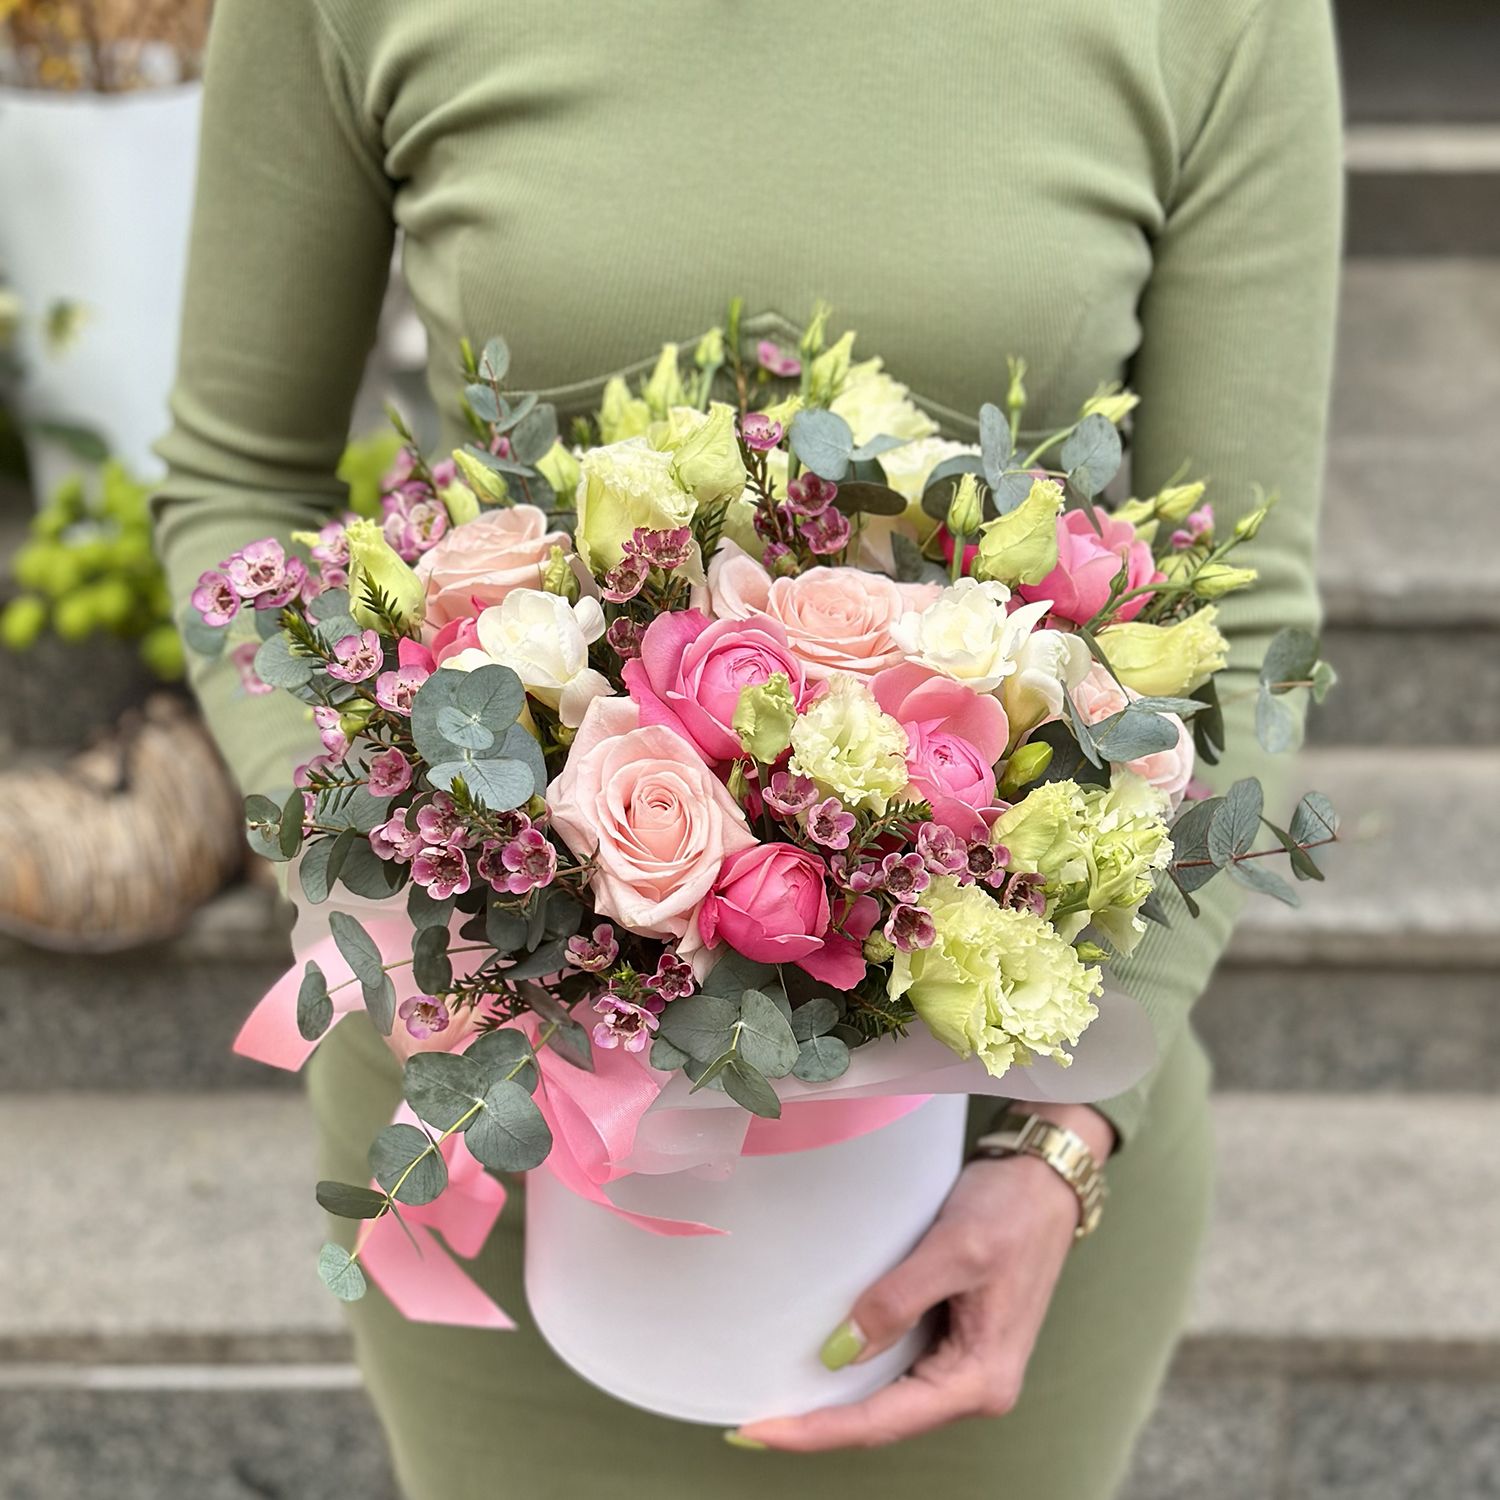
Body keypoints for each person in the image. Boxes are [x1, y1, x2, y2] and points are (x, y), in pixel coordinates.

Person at [152, 1, 1343, 1494]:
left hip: (996, 1188)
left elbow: (1251, 600)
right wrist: (397, 880)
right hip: (508, 1117)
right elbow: (236, 482)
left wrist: (1064, 1137)